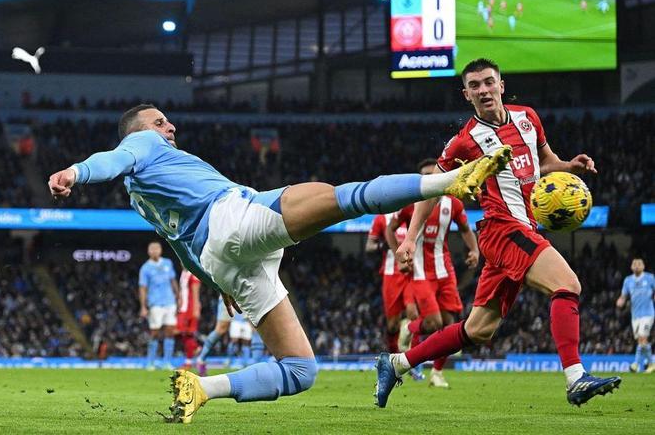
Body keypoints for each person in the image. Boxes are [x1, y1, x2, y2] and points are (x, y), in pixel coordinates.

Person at [48, 103, 511, 423]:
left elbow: (180, 246)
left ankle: (202, 389)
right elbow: (108, 160)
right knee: (346, 197)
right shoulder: (143, 146)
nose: (169, 127)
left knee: (300, 370)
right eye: (159, 122)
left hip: (222, 259)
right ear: (140, 131)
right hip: (231, 219)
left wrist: (217, 283)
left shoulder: (139, 195)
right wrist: (75, 172)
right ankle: (450, 182)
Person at [374, 58, 621, 408]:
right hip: (502, 229)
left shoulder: (527, 117)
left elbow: (543, 161)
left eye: (489, 82)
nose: (483, 90)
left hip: (521, 229)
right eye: (474, 86)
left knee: (478, 329)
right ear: (466, 95)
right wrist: (411, 238)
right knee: (567, 284)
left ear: (501, 86)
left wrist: (568, 166)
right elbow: (431, 191)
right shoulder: (463, 142)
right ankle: (575, 377)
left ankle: (396, 363)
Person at [385, 158, 479, 388]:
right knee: (435, 322)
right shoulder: (411, 203)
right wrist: (398, 255)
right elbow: (390, 229)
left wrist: (474, 249)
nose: (431, 178)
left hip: (444, 270)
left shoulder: (452, 203)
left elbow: (466, 229)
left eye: (434, 174)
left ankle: (437, 373)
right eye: (426, 175)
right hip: (420, 272)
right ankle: (409, 328)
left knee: (450, 324)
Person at [366, 214, 417, 354]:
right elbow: (369, 246)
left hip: (412, 273)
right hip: (391, 275)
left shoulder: (412, 213)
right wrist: (383, 245)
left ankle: (413, 354)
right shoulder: (381, 218)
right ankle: (394, 356)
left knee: (413, 313)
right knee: (393, 325)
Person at [138, 241, 180, 370]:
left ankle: (167, 362)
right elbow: (143, 288)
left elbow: (173, 280)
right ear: (148, 251)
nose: (155, 251)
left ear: (160, 250)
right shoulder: (145, 268)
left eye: (157, 248)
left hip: (170, 302)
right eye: (152, 249)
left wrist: (178, 296)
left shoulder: (167, 263)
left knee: (170, 331)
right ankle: (150, 362)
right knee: (155, 332)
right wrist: (143, 306)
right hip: (155, 303)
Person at [616, 258, 654, 373]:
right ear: (631, 267)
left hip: (648, 313)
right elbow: (624, 295)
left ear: (643, 266)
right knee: (641, 341)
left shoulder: (650, 278)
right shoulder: (628, 280)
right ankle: (651, 363)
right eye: (635, 264)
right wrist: (621, 301)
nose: (637, 266)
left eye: (639, 264)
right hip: (635, 315)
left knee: (643, 337)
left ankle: (636, 364)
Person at [176, 266, 201, 369]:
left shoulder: (193, 273)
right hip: (183, 308)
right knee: (183, 334)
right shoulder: (183, 273)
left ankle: (188, 362)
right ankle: (196, 348)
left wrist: (196, 308)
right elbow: (182, 291)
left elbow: (196, 292)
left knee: (187, 334)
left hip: (190, 309)